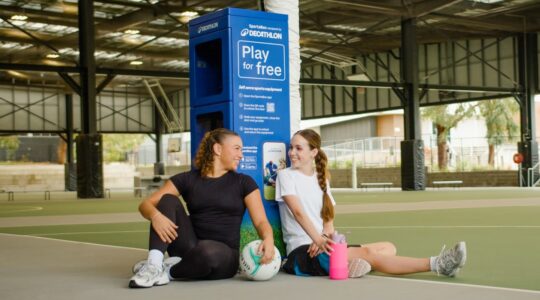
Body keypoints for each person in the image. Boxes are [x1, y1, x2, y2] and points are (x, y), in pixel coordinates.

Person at [276, 129, 467, 278]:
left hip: (324, 246)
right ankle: (438, 264)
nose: (292, 152)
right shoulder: (285, 176)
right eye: (291, 148)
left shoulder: (322, 179)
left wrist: (324, 238)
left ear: (313, 152)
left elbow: (328, 222)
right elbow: (298, 212)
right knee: (368, 253)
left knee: (388, 247)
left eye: (298, 148)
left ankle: (351, 264)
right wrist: (317, 240)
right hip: (302, 253)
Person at [129, 128, 275, 288]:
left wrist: (268, 238)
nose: (241, 154)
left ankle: (169, 271)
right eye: (237, 148)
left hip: (223, 256)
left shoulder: (244, 182)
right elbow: (145, 205)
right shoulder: (187, 179)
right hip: (187, 247)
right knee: (167, 199)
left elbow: (261, 221)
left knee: (207, 252)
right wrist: (155, 216)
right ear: (217, 149)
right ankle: (154, 265)